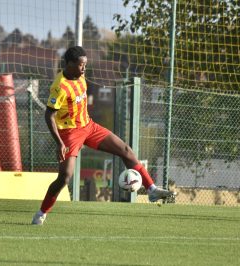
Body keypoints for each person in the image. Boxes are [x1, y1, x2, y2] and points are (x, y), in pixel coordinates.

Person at [32, 46, 175, 225]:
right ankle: (41, 212)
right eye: (81, 65)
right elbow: (49, 115)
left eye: (85, 64)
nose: (84, 68)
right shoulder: (59, 86)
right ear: (69, 64)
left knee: (126, 150)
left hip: (89, 126)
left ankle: (151, 189)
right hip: (69, 133)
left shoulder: (81, 77)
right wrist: (59, 142)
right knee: (65, 177)